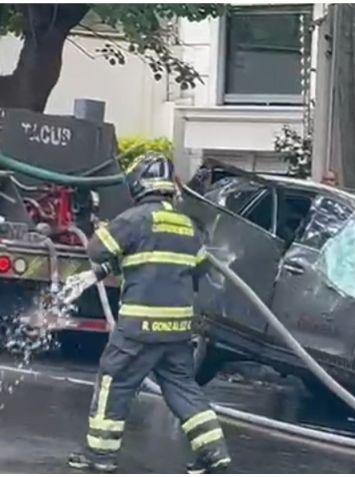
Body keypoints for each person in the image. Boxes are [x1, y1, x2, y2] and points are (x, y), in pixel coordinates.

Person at [62, 153, 230, 473]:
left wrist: (103, 229)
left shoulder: (134, 219)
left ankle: (100, 455)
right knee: (183, 388)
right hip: (178, 329)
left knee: (115, 382)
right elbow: (199, 269)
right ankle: (214, 454)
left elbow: (97, 249)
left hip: (138, 327)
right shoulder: (187, 226)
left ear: (139, 183)